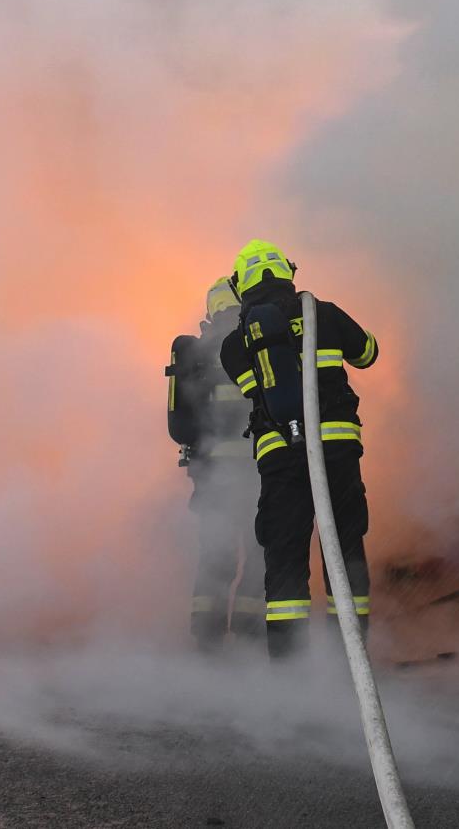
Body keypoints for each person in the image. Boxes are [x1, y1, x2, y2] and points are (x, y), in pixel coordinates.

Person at [218, 240, 380, 660]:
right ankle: (350, 655)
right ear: (287, 272)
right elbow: (368, 354)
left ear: (240, 285)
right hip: (337, 450)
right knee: (344, 548)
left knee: (285, 557)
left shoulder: (236, 343)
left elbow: (253, 392)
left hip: (280, 457)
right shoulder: (325, 313)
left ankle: (289, 668)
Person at [167, 278, 265, 650]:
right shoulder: (255, 344)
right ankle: (248, 634)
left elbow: (181, 427)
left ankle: (206, 640)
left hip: (209, 477)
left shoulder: (195, 354)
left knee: (215, 555)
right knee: (258, 552)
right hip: (256, 473)